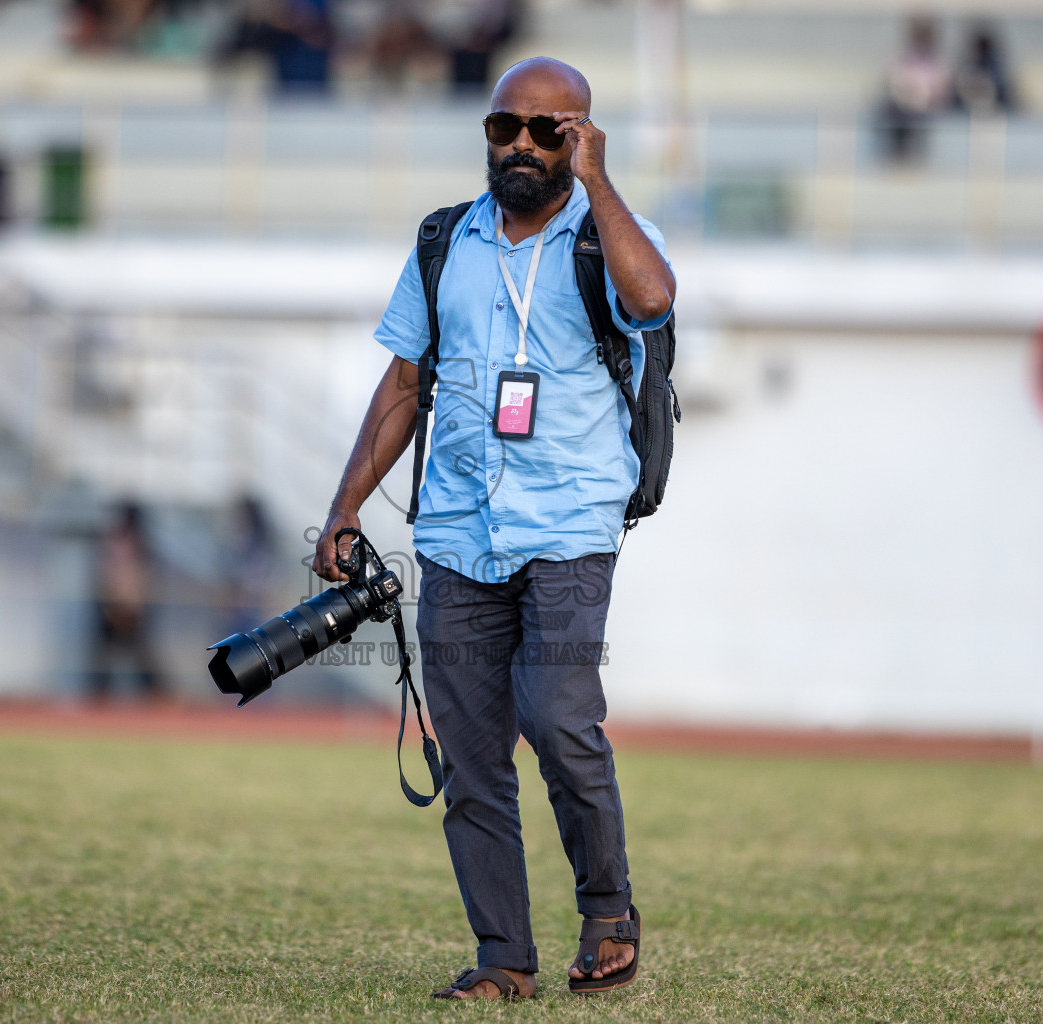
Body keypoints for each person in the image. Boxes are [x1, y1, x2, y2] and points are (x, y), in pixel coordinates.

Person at [311, 57, 674, 1000]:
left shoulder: (608, 235)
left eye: (547, 130)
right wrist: (346, 505)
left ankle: (607, 909)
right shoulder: (444, 241)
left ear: (581, 137)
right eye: (504, 125)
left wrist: (598, 185)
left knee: (557, 718)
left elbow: (654, 301)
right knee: (471, 758)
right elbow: (401, 387)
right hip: (459, 531)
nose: (520, 143)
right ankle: (504, 959)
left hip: (569, 522)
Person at [89, 502, 167, 700]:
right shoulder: (116, 543)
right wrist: (109, 606)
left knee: (141, 659)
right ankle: (99, 697)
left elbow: (141, 583)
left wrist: (134, 608)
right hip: (114, 608)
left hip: (131, 611)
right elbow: (106, 578)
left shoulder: (140, 547)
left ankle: (157, 697)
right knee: (104, 658)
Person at [877, 14, 951, 163]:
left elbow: (941, 89)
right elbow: (895, 80)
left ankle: (912, 155)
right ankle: (897, 154)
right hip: (905, 104)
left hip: (926, 106)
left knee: (913, 116)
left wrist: (923, 97)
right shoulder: (906, 58)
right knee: (892, 111)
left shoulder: (938, 62)